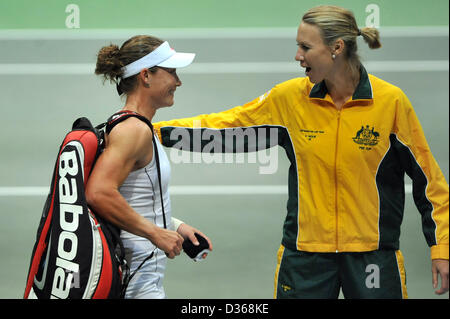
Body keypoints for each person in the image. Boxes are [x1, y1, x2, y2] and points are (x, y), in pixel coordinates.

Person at [153, 6, 449, 298]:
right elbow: (227, 128)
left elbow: (430, 182)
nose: (298, 56)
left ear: (336, 47)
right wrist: (151, 131)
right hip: (306, 257)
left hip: (372, 256)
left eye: (305, 47)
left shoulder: (390, 103)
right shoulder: (290, 99)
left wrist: (442, 248)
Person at [86, 35, 213, 299]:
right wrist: (155, 232)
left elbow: (133, 196)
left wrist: (174, 225)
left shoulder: (138, 126)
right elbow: (98, 192)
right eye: (171, 72)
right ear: (146, 76)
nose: (178, 81)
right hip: (135, 280)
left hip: (141, 277)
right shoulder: (133, 131)